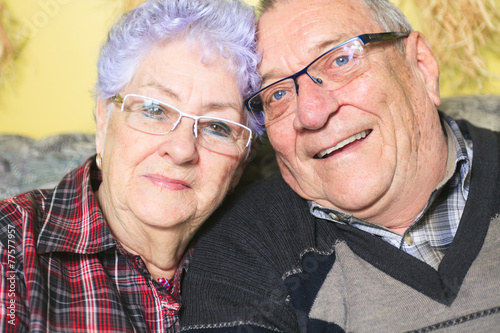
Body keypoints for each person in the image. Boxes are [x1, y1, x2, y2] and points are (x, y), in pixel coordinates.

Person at [179, 0, 500, 331]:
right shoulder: (243, 247)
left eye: (340, 60)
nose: (312, 113)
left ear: (421, 65)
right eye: (277, 94)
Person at [0, 0, 260, 331]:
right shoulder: (11, 244)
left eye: (217, 127)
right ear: (104, 121)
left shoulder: (264, 256)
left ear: (241, 164)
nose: (181, 150)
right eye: (154, 110)